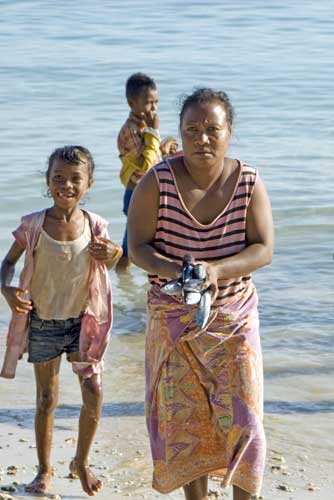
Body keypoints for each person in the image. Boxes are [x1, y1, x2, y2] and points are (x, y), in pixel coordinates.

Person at [127, 88, 274, 500]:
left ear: (229, 132)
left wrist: (217, 271)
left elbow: (264, 247)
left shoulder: (247, 181)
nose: (202, 139)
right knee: (187, 421)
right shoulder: (158, 181)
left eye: (213, 129)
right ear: (180, 133)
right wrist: (177, 270)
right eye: (192, 129)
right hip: (174, 319)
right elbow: (137, 247)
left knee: (246, 421)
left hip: (234, 317)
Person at [0, 146, 122, 496]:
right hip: (43, 321)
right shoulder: (34, 225)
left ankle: (81, 461)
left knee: (94, 392)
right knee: (45, 398)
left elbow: (112, 261)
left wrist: (115, 253)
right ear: (48, 181)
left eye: (74, 179)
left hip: (83, 322)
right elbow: (7, 263)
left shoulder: (95, 225)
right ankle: (43, 469)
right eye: (58, 178)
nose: (65, 185)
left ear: (89, 183)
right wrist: (6, 289)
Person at [116, 72, 178, 272]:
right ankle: (122, 280)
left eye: (156, 102)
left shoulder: (144, 128)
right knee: (131, 247)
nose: (154, 108)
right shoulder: (130, 131)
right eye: (148, 103)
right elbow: (144, 166)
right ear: (132, 103)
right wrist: (154, 132)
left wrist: (163, 148)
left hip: (149, 191)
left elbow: (150, 156)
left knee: (153, 241)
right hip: (136, 193)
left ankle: (138, 285)